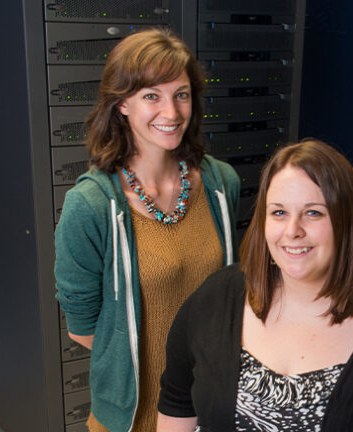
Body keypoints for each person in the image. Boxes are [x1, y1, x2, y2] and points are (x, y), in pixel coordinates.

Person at [156, 140, 353, 432]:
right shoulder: (216, 298)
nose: (292, 231)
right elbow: (177, 402)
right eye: (279, 212)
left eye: (313, 212)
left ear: (345, 221)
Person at [54, 28, 240, 432]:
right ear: (122, 103)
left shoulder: (221, 184)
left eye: (182, 94)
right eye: (151, 96)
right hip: (134, 416)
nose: (171, 113)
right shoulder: (90, 206)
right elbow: (84, 330)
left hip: (211, 405)